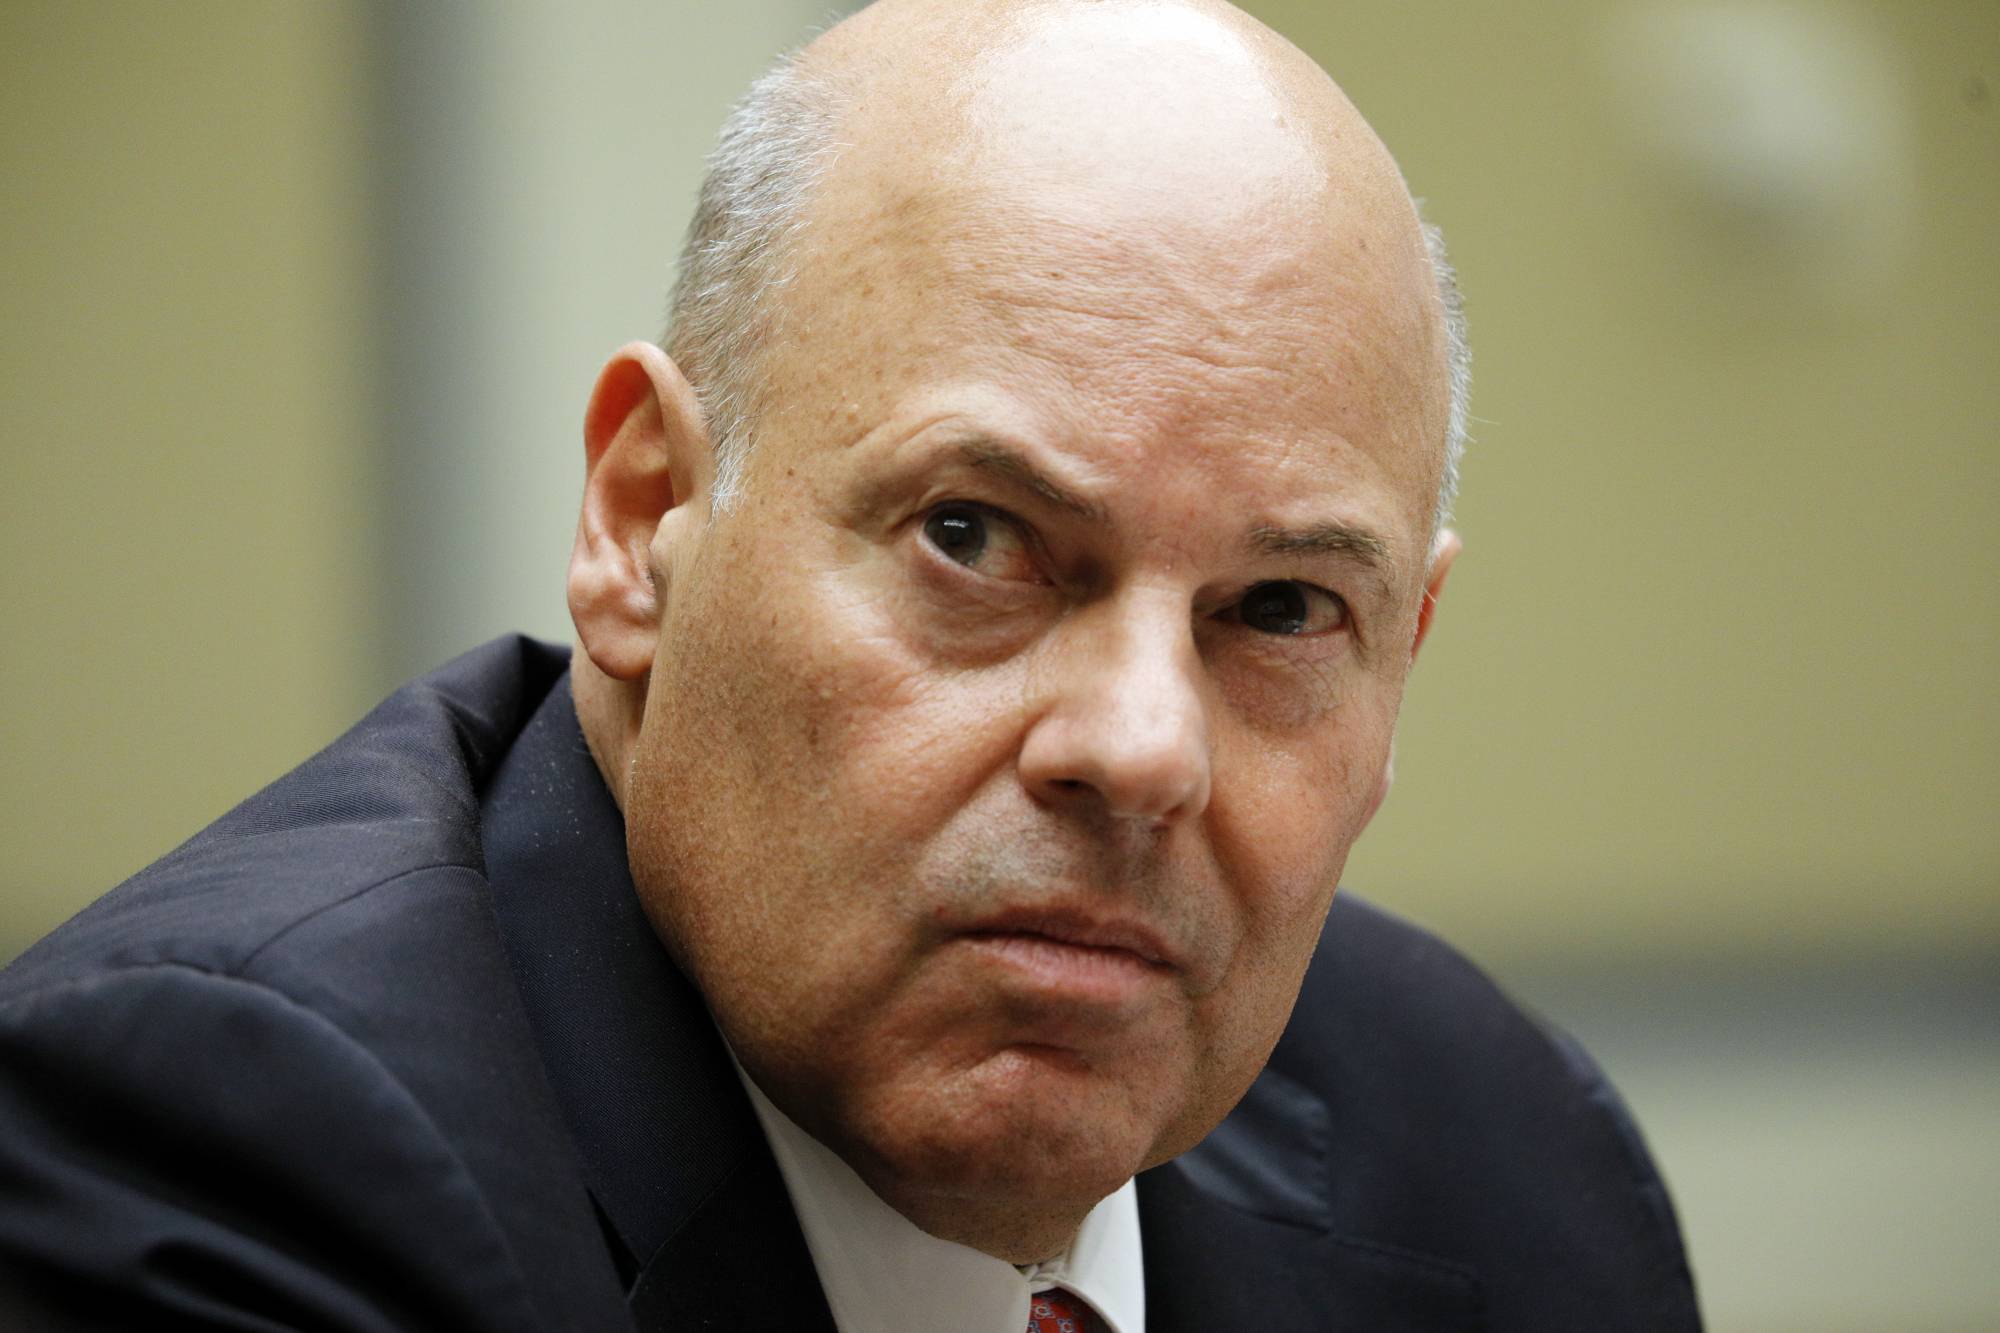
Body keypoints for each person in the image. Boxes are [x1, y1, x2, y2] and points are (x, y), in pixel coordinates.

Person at [0, 1, 1701, 1329]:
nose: (1140, 748)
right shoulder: (234, 1154)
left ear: (1403, 661)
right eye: (976, 536)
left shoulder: (1508, 1161)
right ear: (643, 519)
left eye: (1277, 611)